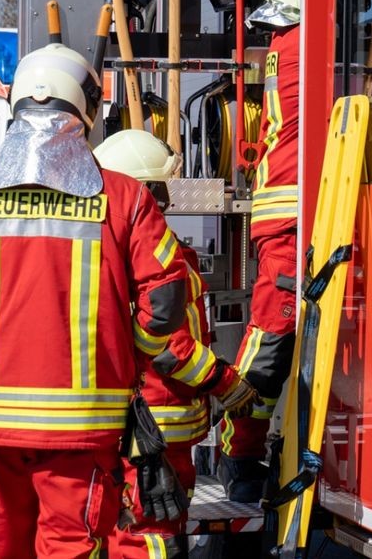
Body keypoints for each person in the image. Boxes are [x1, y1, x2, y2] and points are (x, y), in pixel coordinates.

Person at [0, 44, 192, 558]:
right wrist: (127, 351)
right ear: (85, 111)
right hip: (83, 423)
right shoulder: (126, 197)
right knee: (68, 545)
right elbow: (165, 299)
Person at [94, 130, 257, 558]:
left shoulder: (100, 252)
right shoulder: (163, 260)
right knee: (151, 532)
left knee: (120, 525)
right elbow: (170, 347)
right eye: (160, 188)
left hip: (126, 422)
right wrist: (225, 383)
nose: (167, 198)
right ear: (143, 191)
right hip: (157, 430)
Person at [218, 0, 303, 502]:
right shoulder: (302, 46)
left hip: (292, 211)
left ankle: (254, 444)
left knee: (281, 345)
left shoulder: (286, 41)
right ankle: (237, 445)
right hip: (289, 218)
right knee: (271, 342)